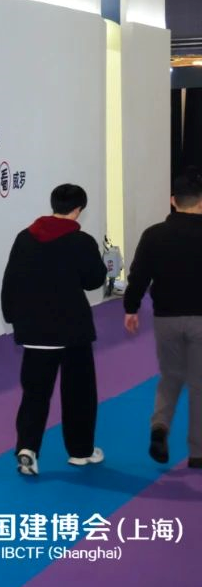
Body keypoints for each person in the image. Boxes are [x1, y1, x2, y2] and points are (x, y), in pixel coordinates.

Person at [1, 184, 108, 476]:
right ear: (79, 210)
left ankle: (27, 448)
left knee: (34, 394)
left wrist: (14, 319)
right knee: (79, 394)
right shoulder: (81, 241)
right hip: (73, 330)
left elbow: (10, 281)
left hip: (35, 330)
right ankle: (81, 452)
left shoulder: (25, 237)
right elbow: (94, 281)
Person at [124, 168, 202, 469]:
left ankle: (159, 427)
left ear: (172, 200)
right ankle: (197, 452)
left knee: (170, 376)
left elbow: (139, 275)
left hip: (166, 317)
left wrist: (131, 308)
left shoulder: (154, 235)